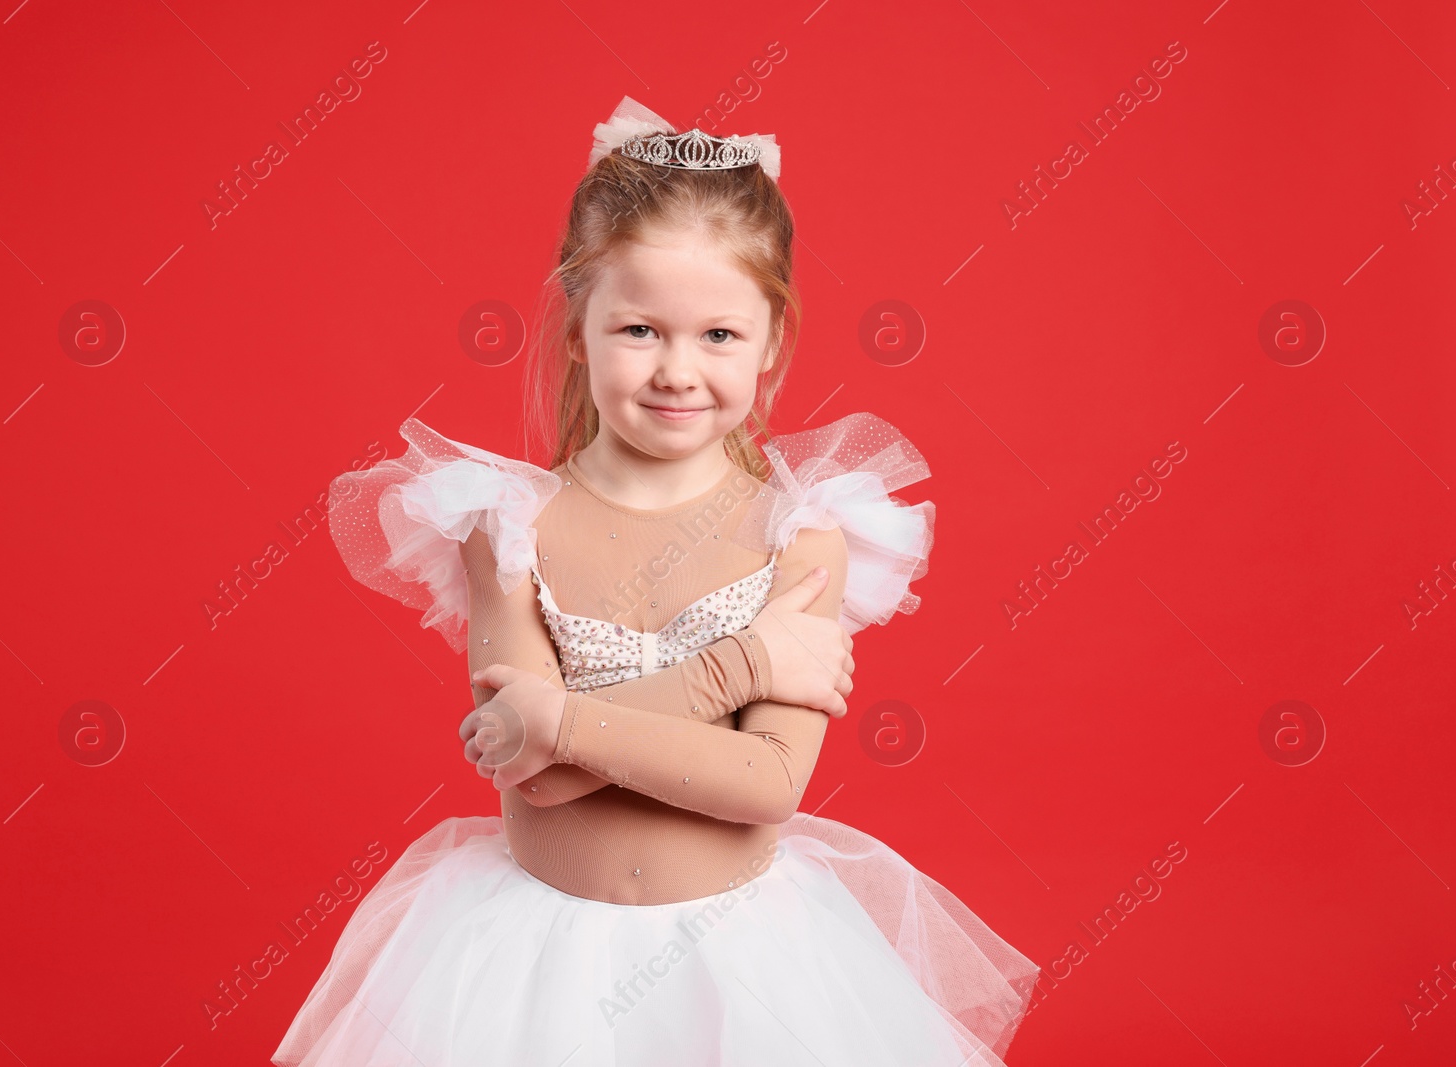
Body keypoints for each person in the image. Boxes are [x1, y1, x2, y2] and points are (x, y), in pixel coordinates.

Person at [272, 95, 1039, 1066]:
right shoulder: (505, 523)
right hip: (532, 968)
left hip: (740, 960)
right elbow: (533, 772)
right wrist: (742, 664)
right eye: (639, 329)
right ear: (578, 328)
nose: (678, 369)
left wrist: (557, 716)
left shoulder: (801, 534)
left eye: (718, 335)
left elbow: (763, 780)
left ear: (772, 345)